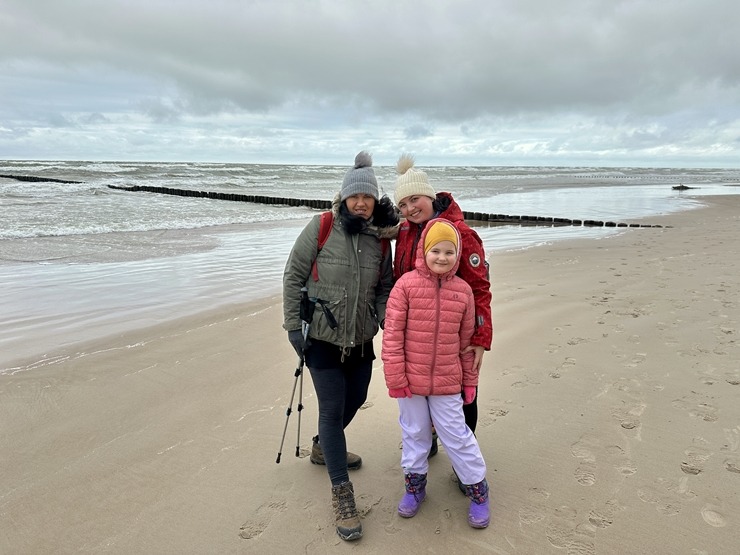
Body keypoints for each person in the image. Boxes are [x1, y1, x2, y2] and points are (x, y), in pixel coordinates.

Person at [282, 151, 398, 541]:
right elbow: (293, 275)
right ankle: (341, 492)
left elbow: (384, 287)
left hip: (362, 339)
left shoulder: (381, 242)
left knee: (357, 396)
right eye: (355, 197)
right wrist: (292, 329)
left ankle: (321, 448)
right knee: (332, 410)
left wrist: (388, 322)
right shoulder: (322, 227)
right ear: (344, 197)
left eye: (367, 197)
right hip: (322, 339)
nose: (361, 203)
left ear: (374, 200)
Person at [382, 218, 491, 528]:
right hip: (410, 383)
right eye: (436, 251)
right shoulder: (405, 286)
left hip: (447, 383)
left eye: (449, 252)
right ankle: (415, 489)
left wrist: (469, 382)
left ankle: (479, 492)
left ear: (457, 256)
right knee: (415, 435)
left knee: (457, 436)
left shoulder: (464, 292)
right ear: (424, 250)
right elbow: (392, 337)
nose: (442, 258)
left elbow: (466, 344)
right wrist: (395, 378)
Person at [392, 153, 492, 457]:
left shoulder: (461, 233)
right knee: (420, 391)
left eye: (415, 199)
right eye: (403, 205)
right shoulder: (407, 231)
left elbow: (480, 289)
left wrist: (479, 338)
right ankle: (429, 440)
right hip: (417, 333)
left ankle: (465, 455)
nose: (410, 208)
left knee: (462, 394)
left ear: (430, 195)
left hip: (454, 334)